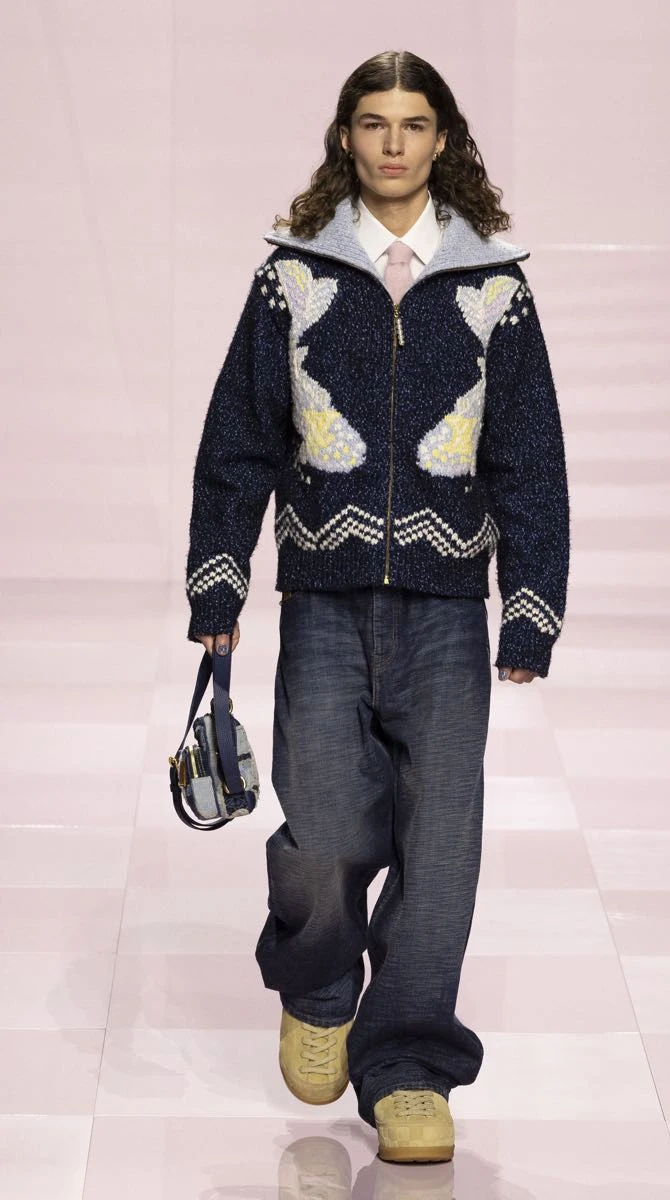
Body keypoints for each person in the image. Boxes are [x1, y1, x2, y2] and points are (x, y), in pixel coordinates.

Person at [185, 49, 570, 1165]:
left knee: (441, 842)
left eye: (412, 125)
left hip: (447, 607)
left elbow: (529, 456)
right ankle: (318, 988)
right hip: (323, 596)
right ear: (344, 137)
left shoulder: (493, 286)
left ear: (443, 140)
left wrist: (529, 603)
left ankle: (406, 1065)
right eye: (371, 123)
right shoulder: (294, 277)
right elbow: (240, 435)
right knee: (325, 828)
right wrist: (219, 576)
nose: (392, 144)